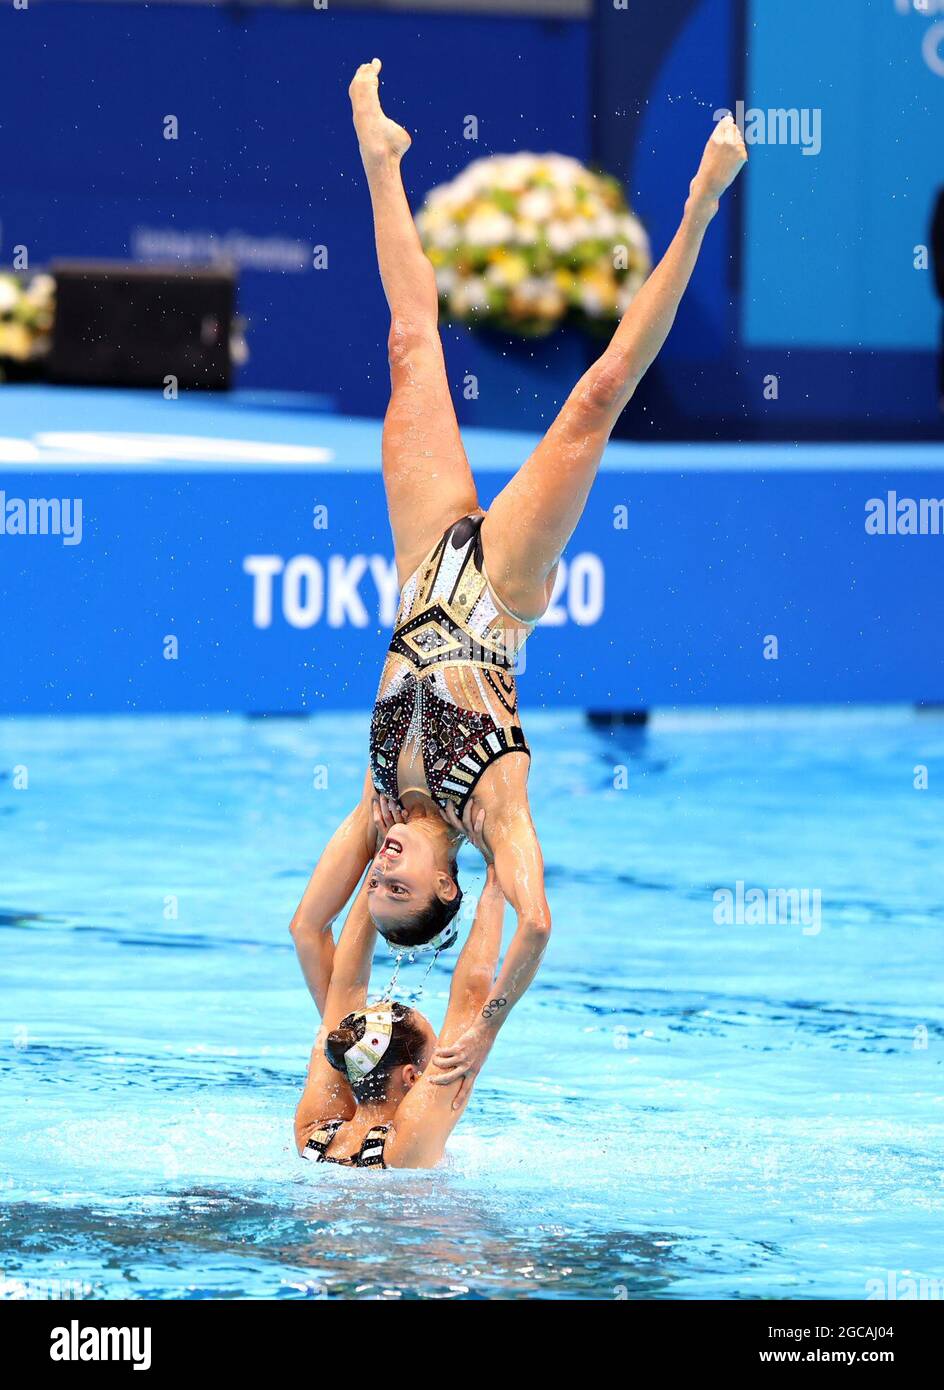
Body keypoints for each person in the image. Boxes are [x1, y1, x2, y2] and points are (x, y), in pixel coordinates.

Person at [297, 59, 748, 1094]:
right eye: (401, 891)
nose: (383, 875)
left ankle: (381, 158)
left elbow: (305, 925)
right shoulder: (491, 801)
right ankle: (699, 201)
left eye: (379, 889)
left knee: (412, 346)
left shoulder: (375, 803)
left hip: (420, 571)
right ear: (448, 888)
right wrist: (485, 1022)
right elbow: (536, 915)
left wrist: (348, 1050)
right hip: (497, 591)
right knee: (593, 397)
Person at [292, 831, 506, 1168]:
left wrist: (382, 863)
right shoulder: (405, 1148)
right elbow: (471, 995)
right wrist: (498, 873)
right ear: (411, 1076)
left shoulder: (316, 1135)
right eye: (435, 1056)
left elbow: (346, 985)